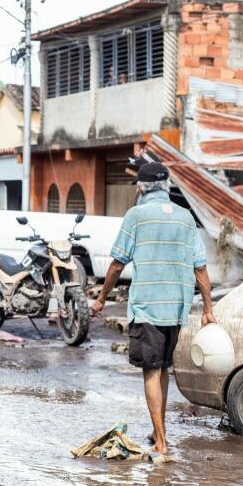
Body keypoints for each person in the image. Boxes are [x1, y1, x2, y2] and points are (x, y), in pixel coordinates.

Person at [91, 161, 216, 455]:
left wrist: (101, 298)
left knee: (150, 370)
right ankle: (157, 427)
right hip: (176, 308)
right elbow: (200, 267)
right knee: (162, 368)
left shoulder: (136, 216)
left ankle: (161, 442)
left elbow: (117, 263)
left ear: (141, 187)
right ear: (167, 186)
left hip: (147, 306)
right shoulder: (186, 218)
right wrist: (208, 309)